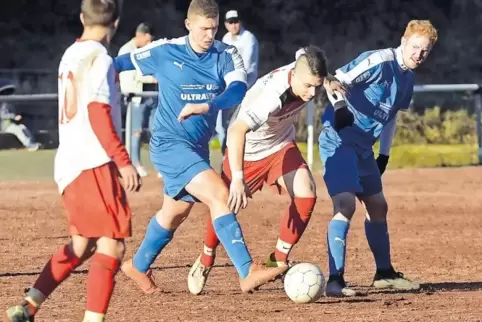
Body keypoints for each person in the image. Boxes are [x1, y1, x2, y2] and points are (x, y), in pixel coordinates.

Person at [113, 0, 288, 294]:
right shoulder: (165, 51)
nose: (210, 34)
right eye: (204, 28)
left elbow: (237, 89)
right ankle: (247, 271)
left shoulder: (226, 53)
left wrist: (207, 105)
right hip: (169, 144)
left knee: (176, 211)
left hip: (197, 148)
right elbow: (117, 64)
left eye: (214, 28)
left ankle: (138, 265)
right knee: (220, 194)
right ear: (188, 25)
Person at [5, 0, 142, 321]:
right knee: (113, 247)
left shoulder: (72, 53)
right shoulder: (101, 58)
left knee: (82, 244)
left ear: (82, 18)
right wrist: (122, 160)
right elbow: (97, 110)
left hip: (69, 163)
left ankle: (29, 305)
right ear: (117, 22)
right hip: (92, 161)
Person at [188, 45, 347, 295]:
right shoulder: (273, 96)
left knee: (307, 192)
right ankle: (206, 258)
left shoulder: (305, 67)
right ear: (294, 75)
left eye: (316, 87)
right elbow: (235, 131)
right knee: (225, 206)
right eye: (307, 86)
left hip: (280, 145)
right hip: (247, 151)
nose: (312, 93)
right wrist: (238, 178)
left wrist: (327, 79)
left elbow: (306, 55)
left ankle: (277, 260)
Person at [318, 19, 438, 297]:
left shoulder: (408, 77)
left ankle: (383, 274)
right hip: (339, 139)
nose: (419, 54)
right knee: (345, 205)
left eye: (426, 51)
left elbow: (391, 115)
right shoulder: (379, 60)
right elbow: (333, 81)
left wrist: (384, 154)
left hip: (364, 148)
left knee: (378, 206)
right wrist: (339, 108)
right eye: (416, 47)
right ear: (404, 41)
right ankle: (336, 280)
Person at [215, 9, 259, 155]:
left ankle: (233, 153)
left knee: (237, 122)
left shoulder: (249, 39)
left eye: (236, 22)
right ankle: (225, 152)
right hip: (229, 86)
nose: (234, 25)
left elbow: (245, 66)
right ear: (226, 24)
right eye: (230, 22)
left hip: (246, 88)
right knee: (220, 123)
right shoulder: (226, 39)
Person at [118, 22, 157, 177]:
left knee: (156, 130)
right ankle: (135, 162)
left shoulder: (147, 50)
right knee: (136, 131)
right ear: (139, 35)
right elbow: (134, 76)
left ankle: (159, 164)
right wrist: (153, 79)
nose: (149, 44)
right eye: (147, 40)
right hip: (136, 97)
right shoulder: (126, 51)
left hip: (151, 96)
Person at [0, 80, 41, 151]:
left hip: (12, 124)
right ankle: (29, 145)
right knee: (18, 130)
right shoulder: (3, 104)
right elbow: (3, 115)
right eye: (7, 92)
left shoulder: (10, 103)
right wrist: (14, 117)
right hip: (6, 126)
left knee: (23, 127)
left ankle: (32, 143)